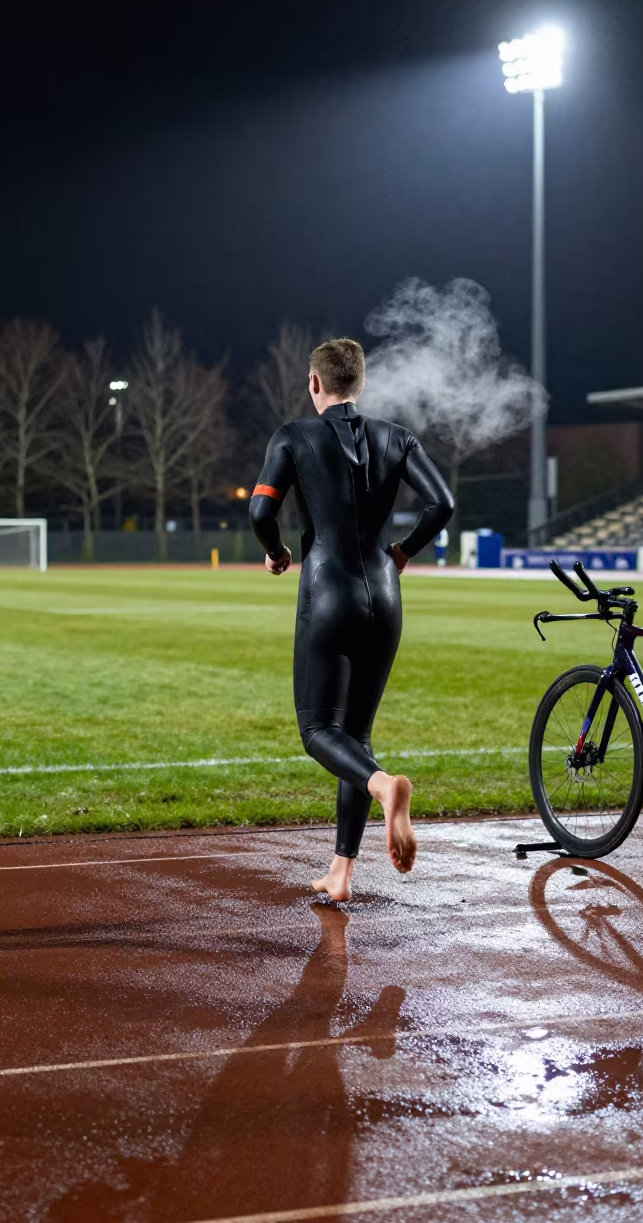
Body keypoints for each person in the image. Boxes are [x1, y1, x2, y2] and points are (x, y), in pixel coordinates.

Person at [249, 338, 453, 902]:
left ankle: (387, 786)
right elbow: (443, 504)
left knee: (318, 731)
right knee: (355, 737)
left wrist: (275, 550)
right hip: (384, 595)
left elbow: (261, 509)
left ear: (315, 383)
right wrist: (405, 551)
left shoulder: (292, 435)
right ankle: (341, 872)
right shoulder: (397, 437)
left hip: (328, 592)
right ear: (359, 384)